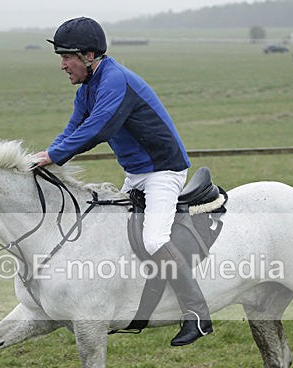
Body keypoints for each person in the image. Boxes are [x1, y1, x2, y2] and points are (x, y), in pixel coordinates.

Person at [32, 17, 212, 346]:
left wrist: (55, 155)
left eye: (67, 57)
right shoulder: (87, 90)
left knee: (154, 240)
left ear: (89, 56)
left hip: (163, 172)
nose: (62, 65)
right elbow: (73, 129)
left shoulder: (115, 81)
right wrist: (47, 156)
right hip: (136, 175)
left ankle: (197, 314)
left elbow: (98, 128)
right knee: (113, 234)